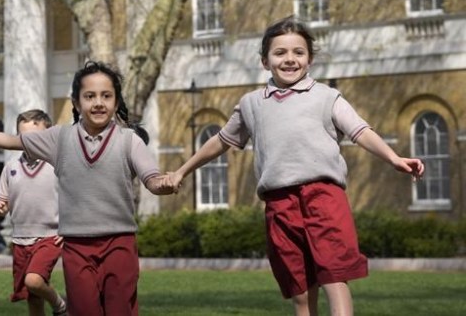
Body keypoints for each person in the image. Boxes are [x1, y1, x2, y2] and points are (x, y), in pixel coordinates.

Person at [169, 17, 426, 316]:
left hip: (324, 198)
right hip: (279, 205)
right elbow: (220, 142)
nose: (289, 59)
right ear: (265, 61)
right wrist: (181, 171)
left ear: (310, 59)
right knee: (301, 292)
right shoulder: (251, 104)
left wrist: (393, 158)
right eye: (280, 53)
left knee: (334, 278)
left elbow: (360, 131)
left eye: (298, 52)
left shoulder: (327, 97)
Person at [0, 61, 174, 316]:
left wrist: (164, 184)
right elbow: (11, 141)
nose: (98, 102)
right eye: (89, 96)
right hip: (77, 246)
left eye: (106, 96)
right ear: (76, 103)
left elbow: (152, 179)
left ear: (116, 101)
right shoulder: (60, 138)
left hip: (119, 243)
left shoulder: (129, 140)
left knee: (120, 310)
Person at [0, 109, 67, 316]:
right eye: (23, 137)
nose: (30, 142)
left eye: (36, 137)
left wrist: (68, 227)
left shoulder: (58, 163)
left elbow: (77, 198)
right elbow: (1, 203)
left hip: (50, 236)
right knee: (33, 298)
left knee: (33, 281)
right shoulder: (10, 167)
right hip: (20, 239)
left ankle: (60, 305)